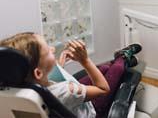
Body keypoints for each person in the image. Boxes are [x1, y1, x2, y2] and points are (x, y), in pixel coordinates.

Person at [0, 32, 142, 118]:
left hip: (72, 99)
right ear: (38, 73)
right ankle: (123, 57)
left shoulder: (21, 85)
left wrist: (59, 65)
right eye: (48, 51)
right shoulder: (68, 91)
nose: (53, 48)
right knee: (116, 70)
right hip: (93, 108)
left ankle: (116, 61)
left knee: (103, 68)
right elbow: (103, 88)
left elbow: (46, 80)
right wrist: (84, 60)